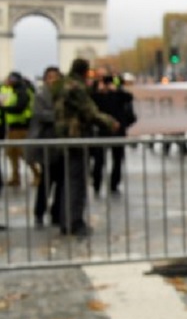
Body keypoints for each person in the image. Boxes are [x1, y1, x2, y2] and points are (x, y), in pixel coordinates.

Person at [52, 58, 118, 236]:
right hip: (76, 136)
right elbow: (89, 111)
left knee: (67, 181)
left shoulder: (62, 84)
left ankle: (65, 221)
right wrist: (110, 122)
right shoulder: (76, 87)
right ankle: (75, 222)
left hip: (62, 135)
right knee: (78, 180)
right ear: (84, 71)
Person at [89, 69, 136, 196]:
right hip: (104, 130)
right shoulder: (97, 95)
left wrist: (116, 90)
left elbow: (129, 97)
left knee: (116, 160)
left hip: (115, 130)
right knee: (100, 161)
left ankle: (113, 184)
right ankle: (97, 183)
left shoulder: (118, 94)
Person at [28, 66, 64, 228]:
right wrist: (59, 116)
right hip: (47, 143)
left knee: (61, 181)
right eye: (50, 77)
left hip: (62, 144)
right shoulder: (40, 95)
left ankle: (57, 213)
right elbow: (39, 115)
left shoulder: (64, 95)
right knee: (46, 181)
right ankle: (39, 213)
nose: (53, 80)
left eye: (55, 77)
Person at [1, 71, 38, 187]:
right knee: (12, 153)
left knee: (23, 153)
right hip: (12, 127)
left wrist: (5, 108)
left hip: (21, 127)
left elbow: (19, 107)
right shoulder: (14, 90)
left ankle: (37, 174)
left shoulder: (22, 91)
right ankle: (15, 177)